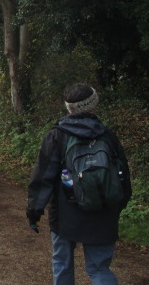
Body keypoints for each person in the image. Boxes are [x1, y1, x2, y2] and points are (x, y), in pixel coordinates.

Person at [27, 84, 132, 285]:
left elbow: (42, 178)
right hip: (103, 211)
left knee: (62, 262)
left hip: (66, 213)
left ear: (69, 108)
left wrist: (34, 212)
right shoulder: (107, 136)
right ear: (94, 105)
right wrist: (116, 206)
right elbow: (123, 177)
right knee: (100, 268)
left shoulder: (57, 135)